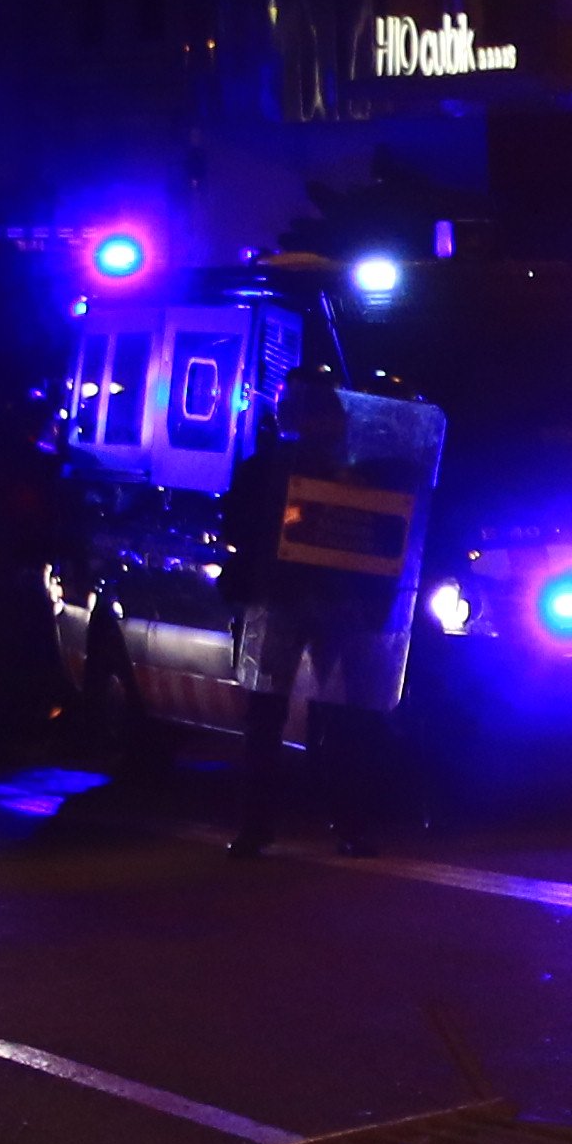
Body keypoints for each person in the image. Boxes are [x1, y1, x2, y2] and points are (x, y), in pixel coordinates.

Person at [226, 363, 408, 857]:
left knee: (337, 715)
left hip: (327, 601)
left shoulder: (350, 475)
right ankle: (273, 825)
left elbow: (382, 536)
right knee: (274, 714)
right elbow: (238, 529)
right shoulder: (266, 470)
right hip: (286, 599)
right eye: (298, 406)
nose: (302, 416)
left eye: (312, 408)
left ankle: (338, 822)